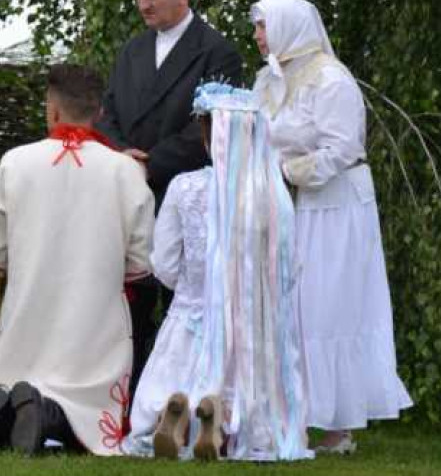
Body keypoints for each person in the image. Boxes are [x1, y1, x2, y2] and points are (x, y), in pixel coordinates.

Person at [0, 64, 154, 456]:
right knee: (86, 404)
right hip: (94, 322)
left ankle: (4, 408)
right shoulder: (126, 171)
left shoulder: (16, 161)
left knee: (14, 374)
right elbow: (142, 259)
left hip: (29, 312)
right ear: (98, 114)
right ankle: (45, 414)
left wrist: (29, 260)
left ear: (52, 109)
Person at [250, 0, 413, 454]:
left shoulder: (331, 79)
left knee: (326, 308)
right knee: (293, 308)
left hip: (333, 207)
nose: (258, 37)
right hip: (285, 205)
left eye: (263, 27)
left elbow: (343, 148)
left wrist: (289, 172)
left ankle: (334, 424)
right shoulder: (268, 81)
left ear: (287, 26)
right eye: (258, 29)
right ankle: (295, 415)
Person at [124, 82, 311, 462]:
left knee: (169, 374)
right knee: (252, 399)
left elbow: (164, 262)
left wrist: (190, 292)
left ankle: (171, 415)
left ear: (209, 139)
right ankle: (220, 421)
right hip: (249, 331)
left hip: (190, 315)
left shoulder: (184, 187)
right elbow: (291, 268)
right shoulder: (273, 198)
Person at [97, 0, 243, 389]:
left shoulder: (217, 52)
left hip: (182, 194)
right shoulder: (132, 49)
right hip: (129, 193)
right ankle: (126, 393)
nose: (143, 5)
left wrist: (151, 161)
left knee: (179, 302)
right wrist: (123, 156)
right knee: (130, 300)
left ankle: (178, 396)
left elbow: (211, 126)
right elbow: (109, 114)